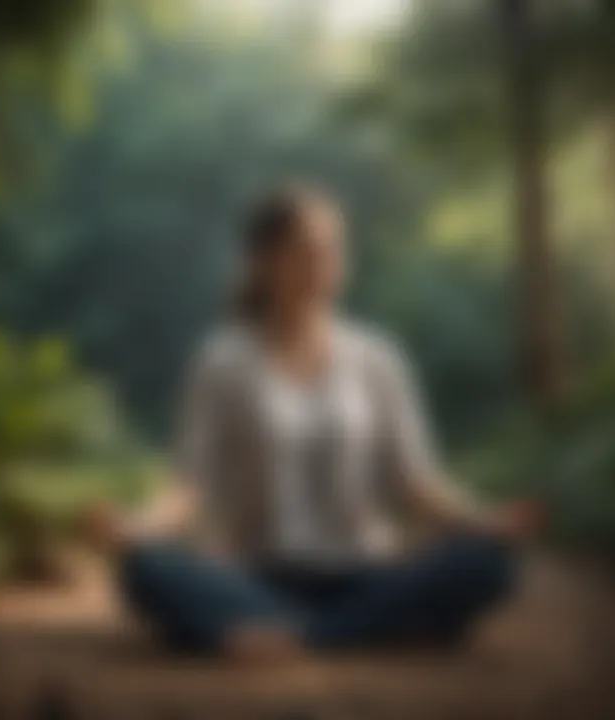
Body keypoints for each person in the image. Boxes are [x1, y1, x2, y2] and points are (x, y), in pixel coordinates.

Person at [85, 183, 544, 662]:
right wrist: (137, 528)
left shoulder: (377, 358)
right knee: (148, 570)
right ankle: (372, 634)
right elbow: (187, 485)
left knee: (487, 564)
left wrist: (484, 521)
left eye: (332, 249)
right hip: (255, 577)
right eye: (304, 251)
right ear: (263, 261)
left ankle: (290, 637)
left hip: (366, 574)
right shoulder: (222, 362)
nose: (323, 264)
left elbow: (417, 482)